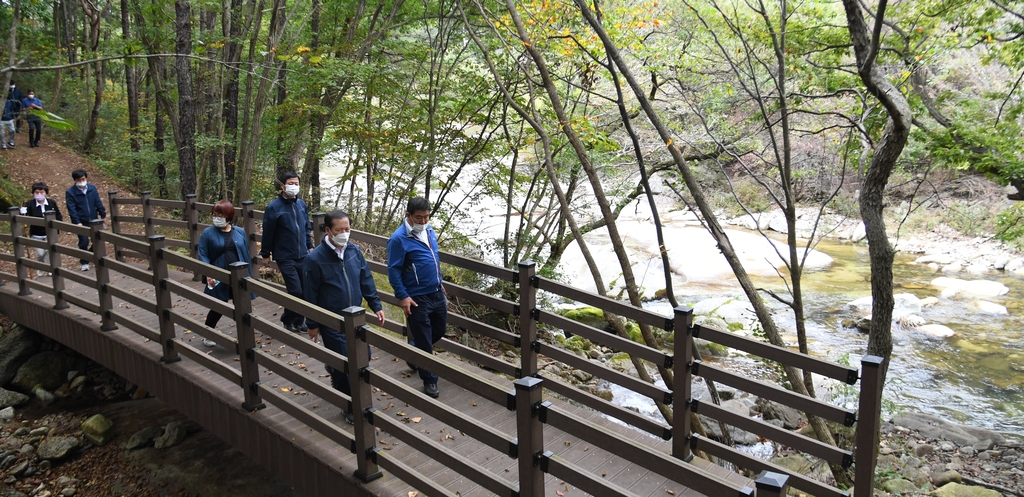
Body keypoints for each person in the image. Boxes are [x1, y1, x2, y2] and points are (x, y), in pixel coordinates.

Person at [302, 210, 385, 424]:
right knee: (343, 364)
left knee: (362, 357)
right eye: (340, 230)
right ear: (328, 231)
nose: (345, 234)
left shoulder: (354, 252)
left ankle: (353, 392)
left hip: (356, 318)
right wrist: (313, 323)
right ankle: (350, 405)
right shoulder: (315, 259)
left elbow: (366, 279)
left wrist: (376, 305)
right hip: (332, 320)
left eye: (347, 229)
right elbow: (310, 294)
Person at [387, 197, 447, 398]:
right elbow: (393, 271)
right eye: (419, 218)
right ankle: (429, 381)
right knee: (424, 341)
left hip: (436, 292)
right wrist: (402, 296)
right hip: (416, 297)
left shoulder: (429, 231)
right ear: (409, 216)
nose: (423, 221)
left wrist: (439, 281)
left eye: (426, 217)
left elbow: (434, 258)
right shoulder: (398, 239)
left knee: (440, 329)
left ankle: (413, 352)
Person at [259, 172, 313, 333]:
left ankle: (298, 321)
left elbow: (305, 228)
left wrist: (309, 246)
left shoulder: (301, 205)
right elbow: (268, 232)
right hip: (285, 256)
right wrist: (265, 254)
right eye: (291, 183)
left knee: (305, 290)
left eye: (296, 183)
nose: (294, 186)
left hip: (303, 255)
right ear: (282, 185)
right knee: (295, 290)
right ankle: (287, 319)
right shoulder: (274, 207)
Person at [197, 200, 253, 347]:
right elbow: (202, 254)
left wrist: (249, 276)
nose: (216, 217)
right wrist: (209, 273)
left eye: (220, 215)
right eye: (214, 214)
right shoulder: (208, 233)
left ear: (228, 216)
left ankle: (245, 336)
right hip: (219, 275)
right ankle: (208, 333)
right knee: (218, 307)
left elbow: (245, 254)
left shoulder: (239, 232)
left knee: (242, 306)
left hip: (239, 276)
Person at [65, 169, 106, 271]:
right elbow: (72, 208)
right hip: (81, 220)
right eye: (79, 180)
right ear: (75, 180)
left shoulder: (92, 188)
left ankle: (91, 257)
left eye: (83, 179)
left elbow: (98, 202)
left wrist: (103, 215)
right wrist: (77, 222)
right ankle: (84, 262)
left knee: (97, 240)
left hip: (94, 219)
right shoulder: (70, 192)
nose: (81, 181)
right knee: (83, 241)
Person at [22, 182, 63, 278]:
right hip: (36, 234)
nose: (39, 194)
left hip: (50, 233)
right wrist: (22, 212)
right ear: (33, 193)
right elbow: (24, 217)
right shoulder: (30, 204)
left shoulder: (51, 203)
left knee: (50, 252)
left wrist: (58, 225)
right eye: (37, 192)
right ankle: (40, 268)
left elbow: (58, 215)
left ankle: (50, 269)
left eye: (41, 192)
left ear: (46, 192)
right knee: (40, 253)